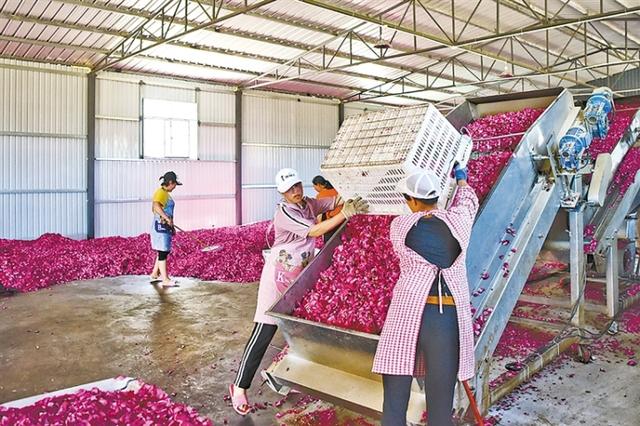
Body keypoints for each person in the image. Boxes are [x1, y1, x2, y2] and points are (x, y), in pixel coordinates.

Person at [229, 168, 369, 416]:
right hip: (278, 276)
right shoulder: (284, 212)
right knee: (265, 330)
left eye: (297, 186)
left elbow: (333, 200)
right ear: (281, 193)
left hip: (299, 275)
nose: (295, 191)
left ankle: (296, 374)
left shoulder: (307, 203)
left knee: (298, 327)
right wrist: (345, 214)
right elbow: (314, 231)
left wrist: (354, 191)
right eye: (289, 189)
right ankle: (240, 386)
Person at [372, 164, 478, 426]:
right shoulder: (461, 221)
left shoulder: (399, 226)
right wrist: (461, 177)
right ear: (437, 196)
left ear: (410, 200)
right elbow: (468, 200)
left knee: (394, 402)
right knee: (440, 406)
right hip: (445, 319)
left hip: (406, 315)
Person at [150, 171, 182, 287]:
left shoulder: (165, 194)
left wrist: (171, 225)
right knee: (162, 252)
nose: (175, 187)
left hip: (165, 226)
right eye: (174, 185)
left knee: (163, 250)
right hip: (160, 226)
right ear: (170, 182)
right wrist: (166, 218)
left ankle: (154, 274)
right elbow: (156, 206)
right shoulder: (161, 193)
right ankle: (165, 279)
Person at [312, 175, 344, 242]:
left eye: (314, 186)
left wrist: (319, 228)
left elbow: (319, 216)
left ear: (318, 185)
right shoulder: (336, 190)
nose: (314, 188)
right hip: (343, 222)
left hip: (331, 224)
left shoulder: (320, 196)